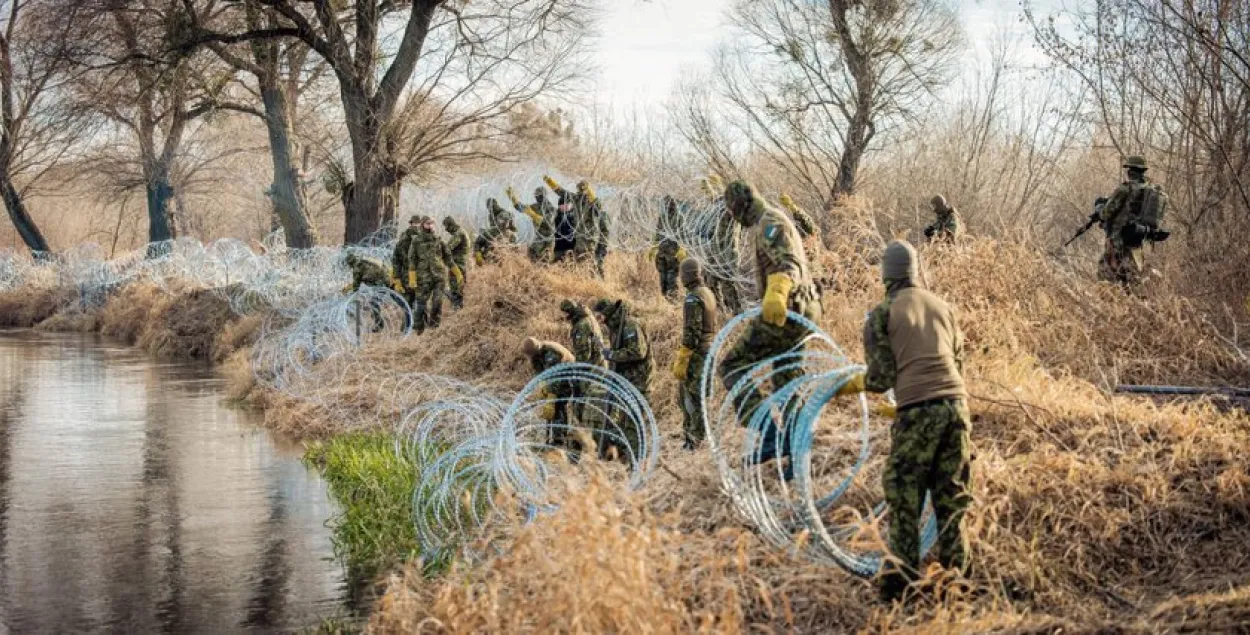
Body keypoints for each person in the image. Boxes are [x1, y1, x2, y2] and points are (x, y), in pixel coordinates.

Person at [836, 240, 970, 603]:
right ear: (914, 270)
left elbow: (880, 379)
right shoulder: (943, 306)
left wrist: (848, 386)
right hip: (957, 408)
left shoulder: (882, 314)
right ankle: (959, 581)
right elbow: (957, 363)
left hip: (918, 410)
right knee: (951, 495)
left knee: (904, 492)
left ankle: (902, 585)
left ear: (885, 275)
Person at [717, 180, 821, 477]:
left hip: (787, 312)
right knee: (786, 379)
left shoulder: (770, 223)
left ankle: (769, 433)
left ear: (741, 205)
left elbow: (789, 264)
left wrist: (776, 292)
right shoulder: (766, 221)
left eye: (732, 210)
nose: (732, 217)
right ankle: (795, 449)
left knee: (732, 366)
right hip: (799, 308)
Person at [592, 298, 652, 461]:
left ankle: (638, 460)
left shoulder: (629, 325)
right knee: (624, 420)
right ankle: (627, 455)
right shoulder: (615, 327)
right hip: (626, 380)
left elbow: (638, 351)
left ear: (606, 313)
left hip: (638, 381)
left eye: (599, 316)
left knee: (633, 421)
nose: (598, 320)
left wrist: (611, 355)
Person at [1098, 155, 1170, 286]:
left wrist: (1099, 208)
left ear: (1130, 171)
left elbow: (1105, 213)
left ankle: (1109, 302)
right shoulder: (1149, 190)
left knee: (1107, 274)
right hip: (1137, 238)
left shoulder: (1124, 189)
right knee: (1133, 273)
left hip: (1118, 239)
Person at [672, 258, 717, 450]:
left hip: (697, 353)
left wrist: (683, 356)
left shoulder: (692, 298)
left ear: (687, 276)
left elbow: (692, 332)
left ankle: (693, 439)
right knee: (699, 395)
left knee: (690, 397)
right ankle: (698, 436)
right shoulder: (708, 293)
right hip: (709, 348)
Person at [520, 336, 581, 459]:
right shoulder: (535, 355)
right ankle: (552, 438)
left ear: (536, 349)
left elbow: (555, 378)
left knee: (558, 404)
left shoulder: (551, 353)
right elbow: (541, 374)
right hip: (556, 378)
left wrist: (551, 397)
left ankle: (560, 440)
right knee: (552, 406)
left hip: (569, 375)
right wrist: (543, 387)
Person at [405, 215, 459, 335]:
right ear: (423, 224)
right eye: (428, 223)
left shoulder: (438, 239)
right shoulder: (416, 241)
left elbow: (448, 258)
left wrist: (457, 273)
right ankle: (418, 329)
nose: (430, 226)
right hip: (423, 277)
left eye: (432, 223)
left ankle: (434, 328)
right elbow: (412, 260)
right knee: (420, 305)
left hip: (439, 276)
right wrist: (412, 278)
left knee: (437, 302)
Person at [543, 175, 604, 271]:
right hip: (581, 236)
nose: (581, 194)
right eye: (580, 191)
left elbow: (598, 209)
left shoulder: (593, 202)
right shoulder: (576, 199)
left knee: (589, 259)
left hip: (589, 237)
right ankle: (583, 280)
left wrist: (549, 181)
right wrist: (549, 181)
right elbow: (561, 192)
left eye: (582, 190)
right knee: (579, 260)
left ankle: (593, 279)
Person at [703, 175, 743, 315]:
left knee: (728, 287)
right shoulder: (720, 204)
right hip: (714, 251)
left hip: (727, 253)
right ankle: (718, 313)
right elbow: (716, 203)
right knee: (709, 281)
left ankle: (737, 316)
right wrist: (711, 192)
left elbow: (727, 208)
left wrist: (718, 189)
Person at [649, 196, 688, 301]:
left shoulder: (679, 218)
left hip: (673, 252)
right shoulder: (662, 218)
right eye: (666, 203)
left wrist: (682, 249)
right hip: (662, 252)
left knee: (672, 277)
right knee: (662, 277)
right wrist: (653, 247)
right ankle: (665, 298)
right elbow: (658, 233)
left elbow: (684, 235)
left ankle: (673, 299)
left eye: (670, 203)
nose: (668, 206)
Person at [342, 252, 390, 332]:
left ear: (350, 263)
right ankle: (379, 323)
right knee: (375, 304)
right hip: (385, 280)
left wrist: (351, 296)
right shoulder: (364, 261)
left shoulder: (357, 269)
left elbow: (356, 285)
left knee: (374, 304)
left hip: (380, 285)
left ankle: (379, 325)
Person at [508, 185, 557, 263]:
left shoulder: (551, 208)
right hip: (539, 237)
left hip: (549, 238)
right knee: (532, 254)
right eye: (536, 196)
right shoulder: (535, 206)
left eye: (538, 196)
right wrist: (512, 197)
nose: (536, 198)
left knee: (547, 260)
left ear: (543, 196)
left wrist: (532, 214)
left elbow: (547, 221)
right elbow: (520, 208)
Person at [561, 299, 608, 369]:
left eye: (564, 313)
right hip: (599, 363)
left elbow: (584, 354)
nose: (564, 316)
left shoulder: (581, 325)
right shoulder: (588, 318)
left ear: (569, 311)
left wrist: (576, 371)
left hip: (592, 367)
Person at [473, 198, 518, 266]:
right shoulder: (491, 216)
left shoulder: (505, 214)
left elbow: (513, 230)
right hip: (494, 241)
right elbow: (477, 243)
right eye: (489, 207)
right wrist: (478, 254)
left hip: (505, 256)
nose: (491, 209)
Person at [391, 216, 422, 305]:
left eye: (418, 224)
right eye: (414, 223)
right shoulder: (403, 240)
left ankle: (419, 318)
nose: (416, 226)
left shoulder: (424, 238)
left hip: (421, 275)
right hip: (407, 275)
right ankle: (410, 318)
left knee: (420, 304)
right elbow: (396, 260)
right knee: (408, 302)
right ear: (411, 224)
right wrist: (396, 277)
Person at [442, 216, 471, 309]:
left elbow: (448, 248)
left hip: (457, 263)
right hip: (461, 262)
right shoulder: (462, 232)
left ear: (451, 225)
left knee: (456, 287)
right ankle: (458, 306)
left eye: (446, 227)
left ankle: (456, 307)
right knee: (459, 285)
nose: (446, 230)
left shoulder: (458, 234)